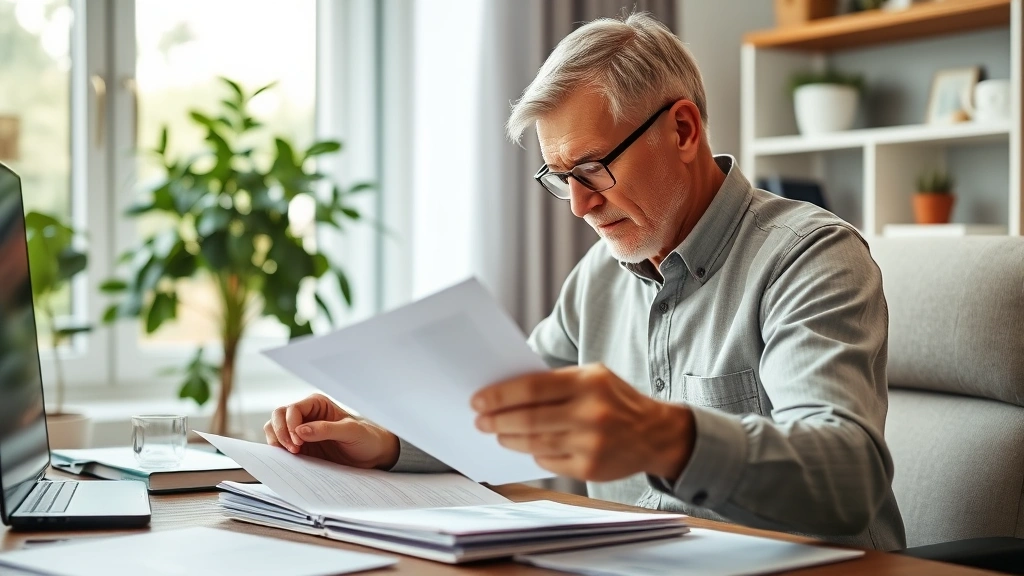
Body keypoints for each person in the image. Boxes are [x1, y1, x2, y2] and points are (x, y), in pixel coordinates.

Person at [265, 12, 906, 550]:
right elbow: (506, 417)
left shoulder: (812, 257)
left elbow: (846, 479)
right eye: (557, 177)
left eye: (593, 168)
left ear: (683, 130)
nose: (578, 206)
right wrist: (381, 441)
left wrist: (666, 437)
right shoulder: (598, 277)